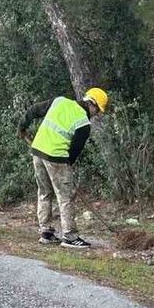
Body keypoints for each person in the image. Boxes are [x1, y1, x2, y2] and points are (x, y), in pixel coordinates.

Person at [17, 88, 109, 249]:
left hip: (37, 151)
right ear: (92, 105)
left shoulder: (59, 101)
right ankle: (70, 237)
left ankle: (46, 233)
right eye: (98, 111)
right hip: (56, 157)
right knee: (65, 196)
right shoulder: (84, 123)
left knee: (44, 192)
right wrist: (67, 167)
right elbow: (75, 150)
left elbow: (33, 110)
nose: (96, 114)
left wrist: (22, 128)